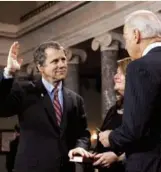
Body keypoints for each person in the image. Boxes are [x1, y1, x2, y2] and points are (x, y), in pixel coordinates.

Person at [0, 41, 91, 172]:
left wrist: (81, 146)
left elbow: (83, 133)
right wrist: (9, 73)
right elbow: (2, 108)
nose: (62, 65)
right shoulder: (25, 90)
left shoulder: (76, 100)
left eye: (63, 60)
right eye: (55, 61)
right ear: (40, 67)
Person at [99, 10, 161, 172]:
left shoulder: (139, 66)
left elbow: (134, 129)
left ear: (136, 35)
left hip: (150, 163)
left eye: (125, 39)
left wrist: (110, 137)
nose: (126, 46)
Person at [93, 58, 131, 172]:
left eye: (121, 73)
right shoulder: (114, 109)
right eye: (116, 73)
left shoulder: (144, 107)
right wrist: (94, 155)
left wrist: (118, 157)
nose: (115, 77)